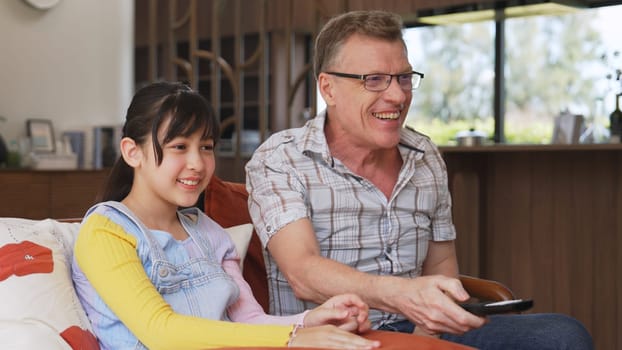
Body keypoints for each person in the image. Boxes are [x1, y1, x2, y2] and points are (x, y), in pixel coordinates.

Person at [245, 10, 593, 350]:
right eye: (374, 79)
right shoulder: (281, 159)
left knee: (562, 335)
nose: (397, 96)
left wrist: (427, 331)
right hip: (333, 336)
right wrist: (402, 296)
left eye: (404, 78)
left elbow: (442, 266)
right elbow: (303, 274)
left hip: (422, 330)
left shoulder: (424, 154)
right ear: (328, 88)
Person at [71, 81, 381, 350]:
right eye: (179, 146)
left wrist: (311, 321)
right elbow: (160, 331)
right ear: (132, 152)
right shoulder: (106, 231)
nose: (197, 163)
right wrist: (292, 338)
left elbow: (249, 321)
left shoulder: (209, 232)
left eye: (206, 147)